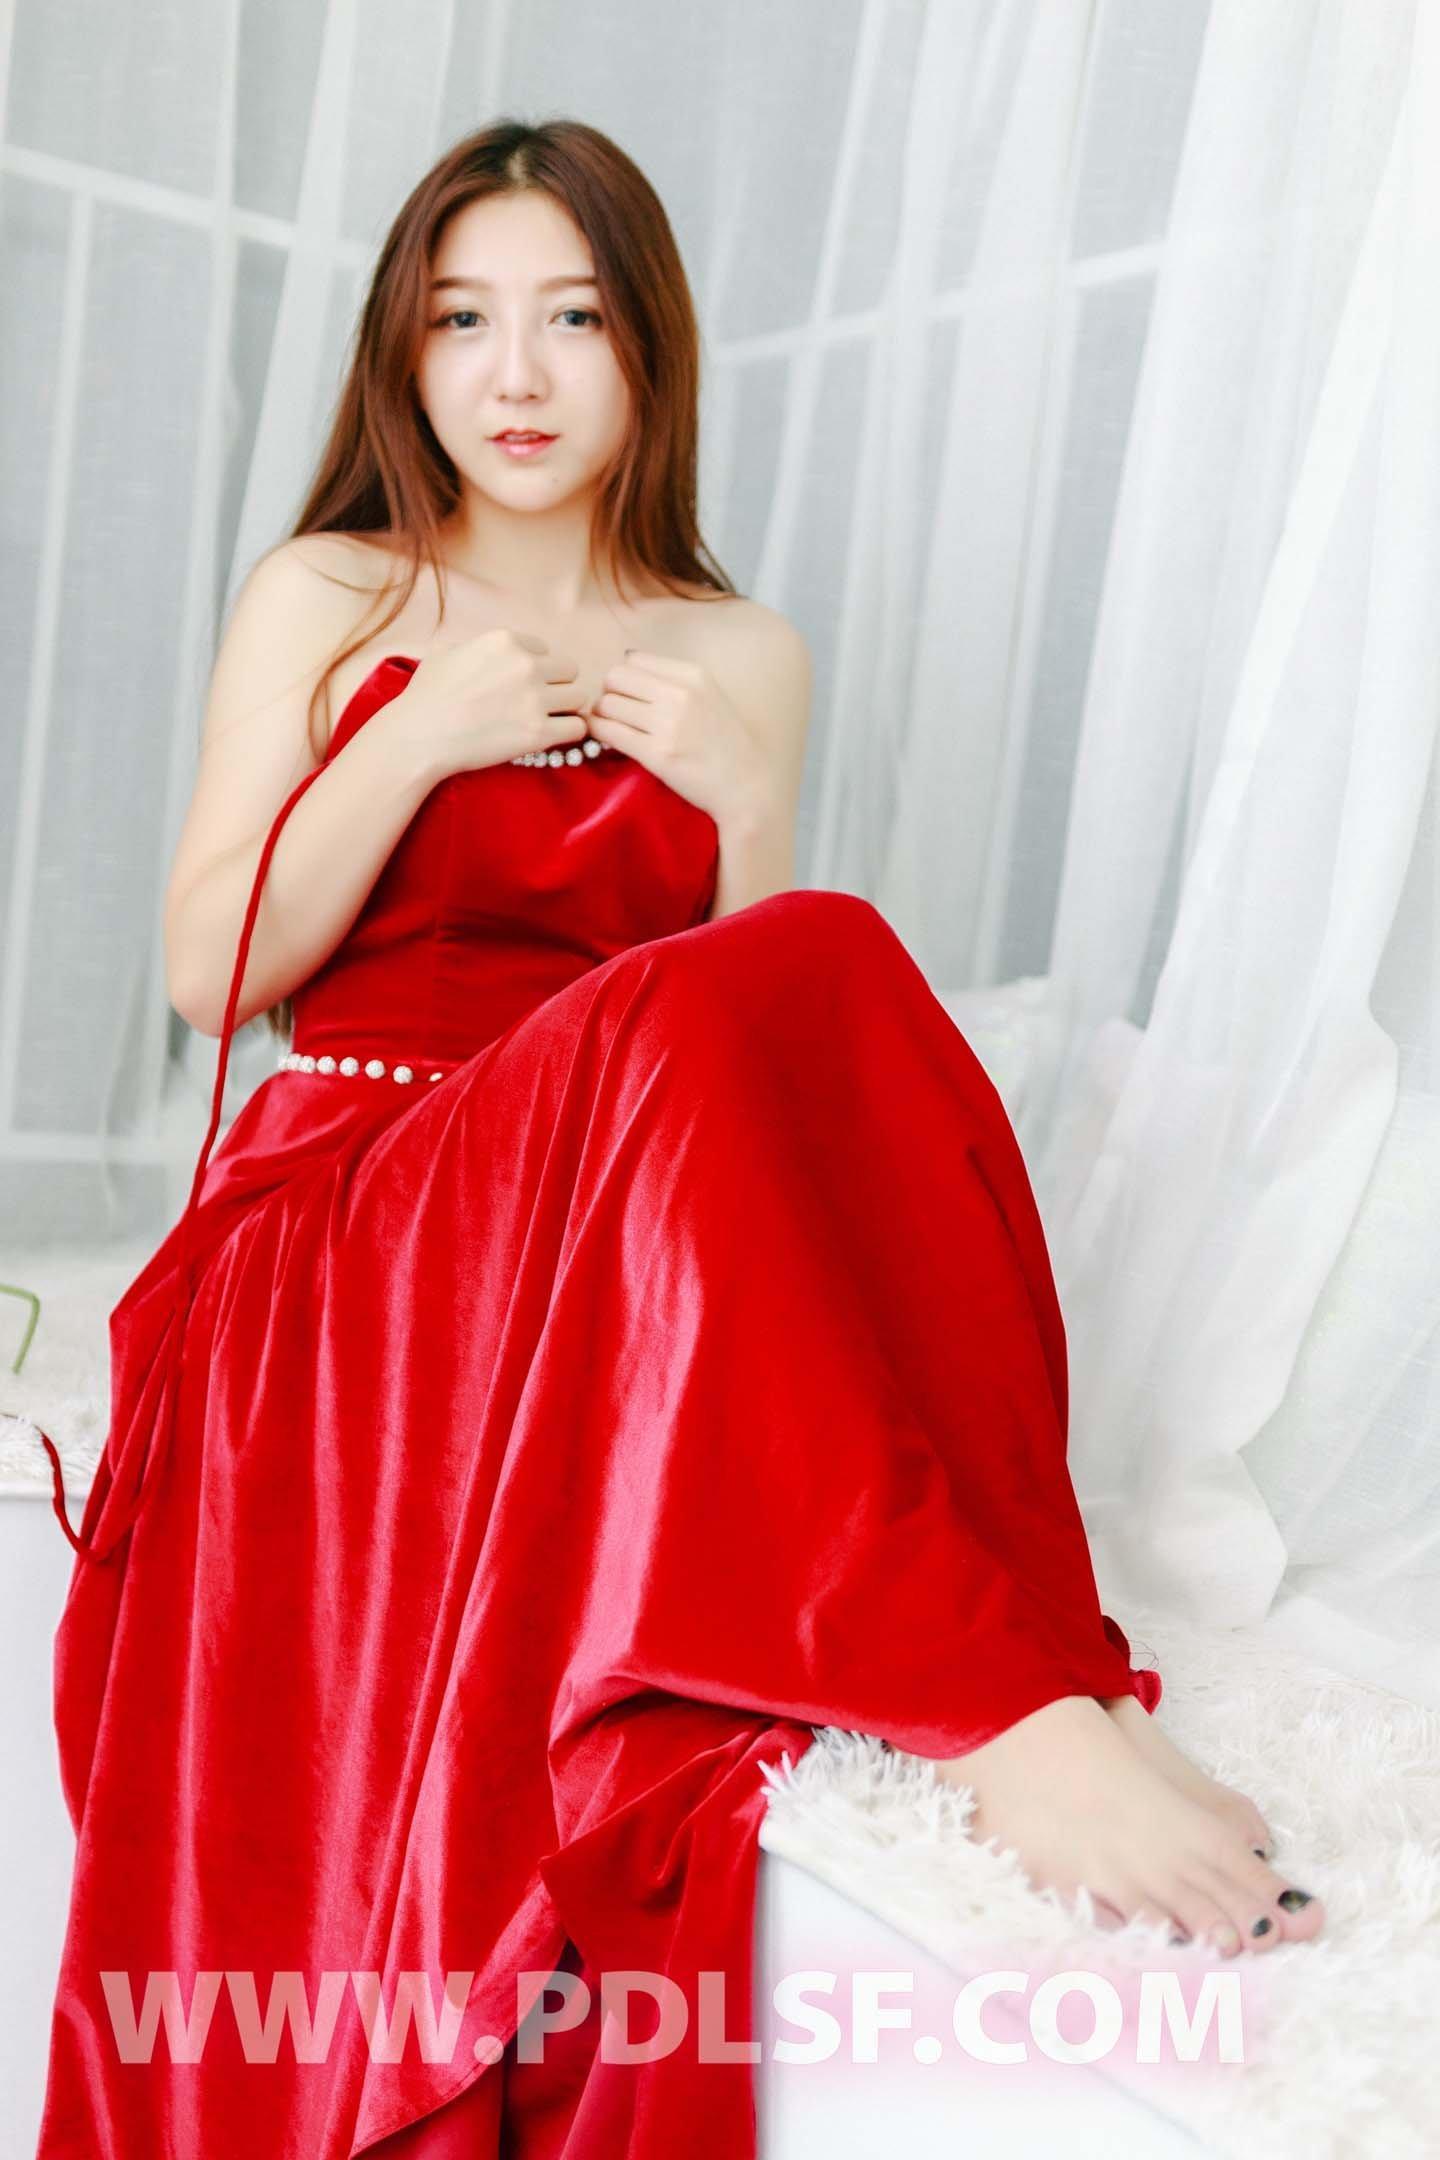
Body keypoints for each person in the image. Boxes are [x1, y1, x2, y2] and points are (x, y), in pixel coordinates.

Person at [33, 118, 1323, 2159]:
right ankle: (996, 1706)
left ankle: (1009, 1674)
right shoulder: (335, 589)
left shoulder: (741, 654)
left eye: (572, 319)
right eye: (464, 322)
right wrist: (421, 733)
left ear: (649, 353)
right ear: (405, 354)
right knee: (760, 977)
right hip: (352, 1217)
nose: (516, 376)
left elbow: (755, 1060)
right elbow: (216, 969)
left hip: (586, 1256)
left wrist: (749, 806)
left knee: (822, 947)